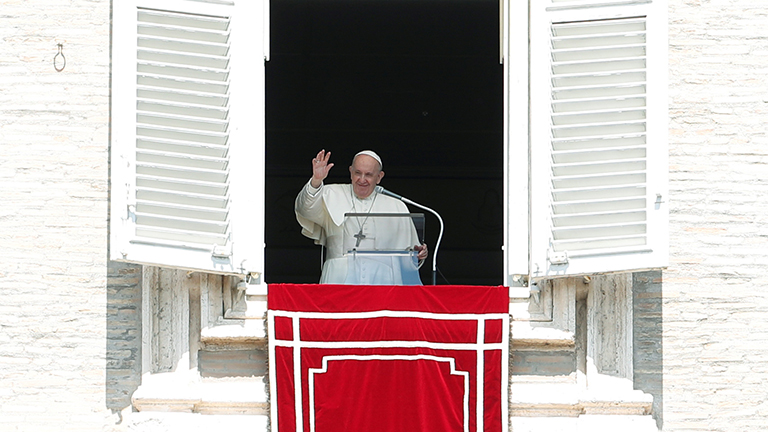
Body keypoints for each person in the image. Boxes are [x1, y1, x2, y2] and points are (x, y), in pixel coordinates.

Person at [295, 149, 428, 284]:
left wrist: (419, 255)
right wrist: (316, 181)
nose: (362, 179)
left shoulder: (396, 206)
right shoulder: (331, 193)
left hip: (383, 279)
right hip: (339, 277)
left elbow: (409, 260)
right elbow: (305, 209)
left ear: (379, 177)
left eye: (369, 175)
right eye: (358, 173)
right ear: (351, 172)